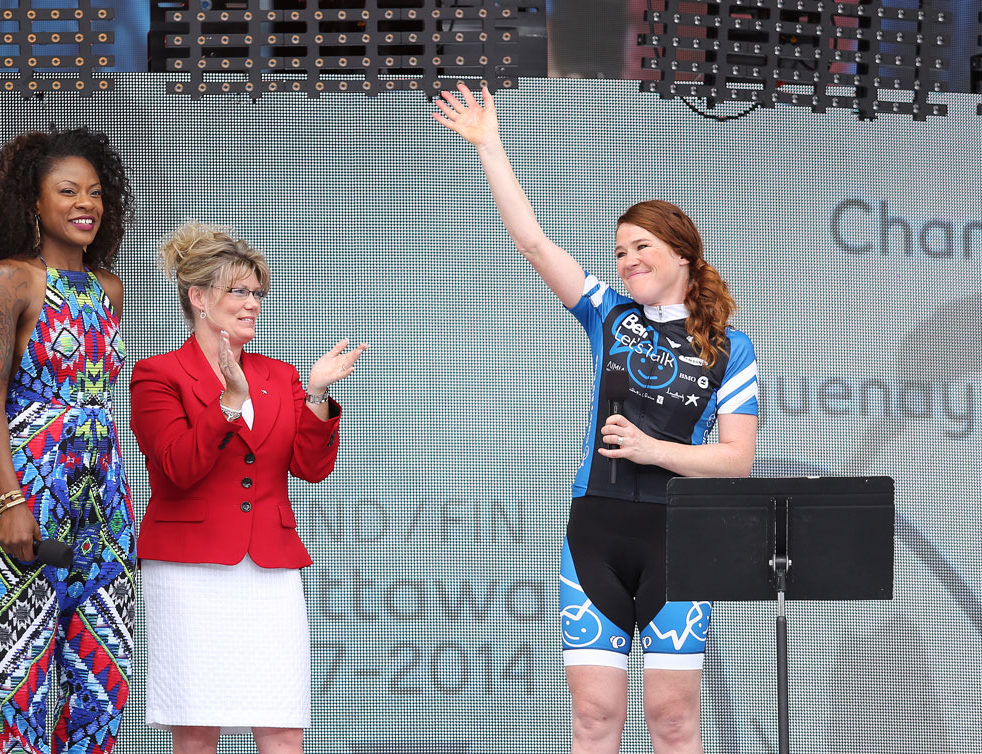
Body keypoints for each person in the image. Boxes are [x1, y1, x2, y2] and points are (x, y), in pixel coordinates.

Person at [433, 84, 759, 754]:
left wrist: (650, 449)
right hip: (596, 533)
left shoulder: (730, 346)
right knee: (592, 720)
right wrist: (489, 145)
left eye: (641, 246)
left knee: (672, 721)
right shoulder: (608, 314)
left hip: (680, 542)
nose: (628, 261)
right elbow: (531, 241)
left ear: (683, 255)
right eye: (619, 251)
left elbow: (737, 459)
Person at [131, 221, 368, 754]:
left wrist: (317, 393)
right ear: (197, 297)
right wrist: (229, 406)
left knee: (282, 726)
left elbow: (310, 468)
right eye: (238, 291)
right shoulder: (158, 375)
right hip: (189, 568)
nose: (252, 304)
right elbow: (176, 468)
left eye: (257, 292)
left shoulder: (281, 375)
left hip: (268, 566)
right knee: (196, 729)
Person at [0, 127, 136, 754]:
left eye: (94, 192)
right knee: (21, 679)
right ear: (33, 203)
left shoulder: (108, 288)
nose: (86, 203)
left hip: (104, 501)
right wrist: (9, 500)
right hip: (27, 491)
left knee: (104, 681)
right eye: (67, 191)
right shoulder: (11, 280)